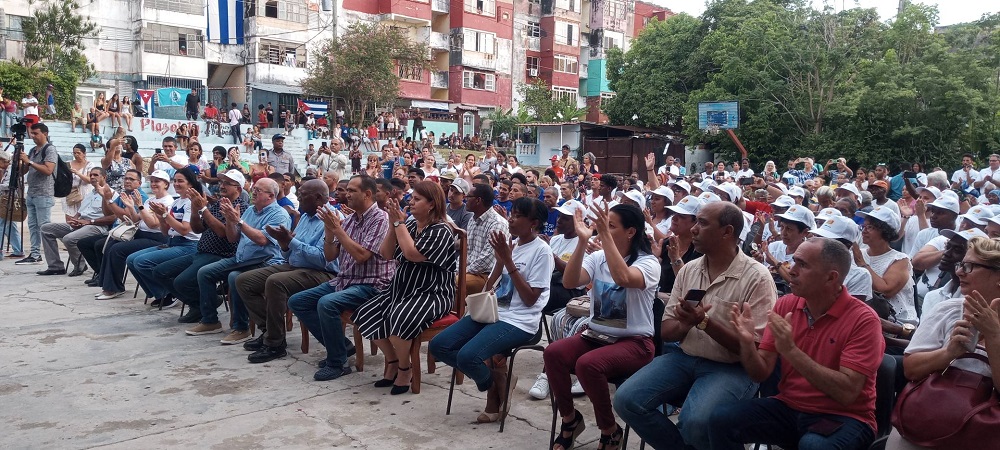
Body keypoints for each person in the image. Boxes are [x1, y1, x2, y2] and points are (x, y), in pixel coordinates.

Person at [614, 202, 776, 450]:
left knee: (696, 422)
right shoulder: (689, 270)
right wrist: (687, 324)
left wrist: (704, 322)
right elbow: (667, 332)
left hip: (732, 368)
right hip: (685, 357)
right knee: (626, 400)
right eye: (696, 221)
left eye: (703, 223)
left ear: (727, 231)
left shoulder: (757, 277)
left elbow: (754, 348)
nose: (694, 229)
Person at [709, 238, 885, 450]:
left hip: (845, 416)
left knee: (814, 446)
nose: (791, 270)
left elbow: (846, 393)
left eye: (803, 265)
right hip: (790, 407)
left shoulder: (863, 320)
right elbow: (760, 374)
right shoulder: (786, 305)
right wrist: (747, 343)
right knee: (721, 419)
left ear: (831, 278)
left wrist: (791, 351)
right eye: (794, 262)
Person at [544, 203, 660, 450]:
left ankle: (609, 430)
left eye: (611, 226)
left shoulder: (648, 263)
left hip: (635, 343)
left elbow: (624, 278)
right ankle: (570, 420)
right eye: (603, 226)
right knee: (553, 353)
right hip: (596, 335)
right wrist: (582, 241)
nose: (602, 230)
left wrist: (604, 240)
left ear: (631, 232)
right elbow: (570, 281)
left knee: (588, 365)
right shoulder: (598, 257)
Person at [430, 197, 553, 422]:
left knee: (468, 357)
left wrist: (508, 262)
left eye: (517, 216)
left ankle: (495, 392)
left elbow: (529, 300)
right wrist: (500, 260)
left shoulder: (542, 252)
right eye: (511, 214)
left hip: (519, 321)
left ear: (533, 223)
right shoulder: (512, 245)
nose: (511, 220)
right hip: (493, 312)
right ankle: (498, 383)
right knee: (439, 346)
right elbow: (492, 285)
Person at [888, 236, 1000, 449]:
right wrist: (948, 353)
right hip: (925, 420)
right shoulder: (947, 309)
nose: (959, 272)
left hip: (984, 436)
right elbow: (910, 369)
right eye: (961, 265)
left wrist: (994, 336)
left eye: (970, 266)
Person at [351, 181, 458, 395]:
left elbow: (412, 255)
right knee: (365, 313)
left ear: (432, 204)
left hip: (432, 293)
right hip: (401, 289)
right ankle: (392, 361)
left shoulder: (441, 230)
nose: (411, 202)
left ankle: (404, 369)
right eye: (412, 198)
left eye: (418, 199)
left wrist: (399, 225)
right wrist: (393, 225)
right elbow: (387, 253)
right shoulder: (408, 225)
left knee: (398, 317)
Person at [288, 175, 394, 379]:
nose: (346, 194)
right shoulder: (351, 220)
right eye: (347, 190)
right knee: (298, 301)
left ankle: (337, 363)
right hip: (346, 280)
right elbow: (330, 256)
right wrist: (329, 231)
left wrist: (337, 229)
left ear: (368, 194)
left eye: (352, 191)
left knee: (326, 304)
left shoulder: (381, 220)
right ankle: (342, 347)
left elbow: (362, 256)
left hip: (372, 285)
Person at [235, 179, 335, 363]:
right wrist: (284, 243)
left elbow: (323, 259)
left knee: (276, 282)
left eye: (302, 195)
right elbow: (290, 254)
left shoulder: (331, 219)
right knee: (244, 280)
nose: (297, 197)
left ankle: (275, 344)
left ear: (318, 198)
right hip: (297, 266)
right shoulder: (306, 216)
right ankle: (269, 331)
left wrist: (291, 241)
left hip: (322, 272)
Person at [184, 178, 291, 343]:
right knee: (205, 273)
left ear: (270, 196)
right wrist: (230, 221)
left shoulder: (279, 214)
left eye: (258, 191)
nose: (253, 192)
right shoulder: (250, 211)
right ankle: (210, 320)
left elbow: (262, 240)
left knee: (235, 277)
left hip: (265, 260)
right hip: (242, 258)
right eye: (253, 189)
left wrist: (238, 221)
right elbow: (232, 238)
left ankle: (241, 328)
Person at [162, 170, 249, 324]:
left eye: (227, 183)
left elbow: (224, 234)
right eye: (221, 182)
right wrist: (196, 209)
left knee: (181, 282)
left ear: (238, 189)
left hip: (221, 254)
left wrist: (203, 209)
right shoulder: (218, 203)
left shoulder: (241, 207)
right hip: (202, 251)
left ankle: (207, 310)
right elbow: (197, 229)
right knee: (161, 272)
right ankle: (200, 304)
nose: (222, 186)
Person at [126, 168, 204, 308]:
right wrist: (161, 217)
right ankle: (162, 293)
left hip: (189, 245)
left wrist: (165, 215)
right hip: (173, 242)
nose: (177, 184)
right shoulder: (176, 202)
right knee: (131, 260)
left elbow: (185, 230)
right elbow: (165, 232)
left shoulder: (192, 202)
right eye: (175, 181)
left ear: (190, 184)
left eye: (181, 181)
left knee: (142, 262)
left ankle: (171, 293)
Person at [94, 170, 174, 299]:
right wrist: (132, 207)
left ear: (166, 184)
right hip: (141, 234)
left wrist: (139, 205)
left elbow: (152, 224)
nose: (153, 184)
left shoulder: (167, 201)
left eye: (157, 181)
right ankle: (107, 286)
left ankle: (113, 288)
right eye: (152, 181)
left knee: (117, 249)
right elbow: (137, 219)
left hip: (156, 238)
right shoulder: (151, 200)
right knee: (110, 244)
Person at [36, 167, 115, 277]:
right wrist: (74, 220)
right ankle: (55, 266)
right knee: (46, 229)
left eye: (96, 175)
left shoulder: (111, 193)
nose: (92, 177)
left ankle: (80, 265)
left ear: (104, 177)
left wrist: (89, 221)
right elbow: (80, 212)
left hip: (96, 226)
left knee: (69, 239)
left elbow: (112, 218)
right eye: (91, 175)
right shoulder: (90, 194)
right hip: (82, 224)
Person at [855, 206, 917, 323]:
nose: (864, 230)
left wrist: (861, 263)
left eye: (870, 227)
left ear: (885, 231)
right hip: (865, 318)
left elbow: (885, 291)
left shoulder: (900, 259)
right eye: (863, 226)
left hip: (896, 323)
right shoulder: (860, 253)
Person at [15, 123, 58, 265]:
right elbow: (23, 172)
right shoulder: (33, 150)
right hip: (32, 192)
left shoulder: (50, 149)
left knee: (45, 227)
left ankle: (52, 258)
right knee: (33, 225)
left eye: (36, 133)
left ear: (45, 133)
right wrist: (22, 163)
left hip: (44, 193)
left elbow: (48, 170)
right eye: (32, 133)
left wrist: (30, 162)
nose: (33, 136)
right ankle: (35, 254)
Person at [0, 150, 24, 260]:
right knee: (10, 225)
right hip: (7, 199)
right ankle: (18, 249)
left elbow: (9, 185)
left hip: (8, 200)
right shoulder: (7, 169)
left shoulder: (11, 170)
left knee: (1, 225)